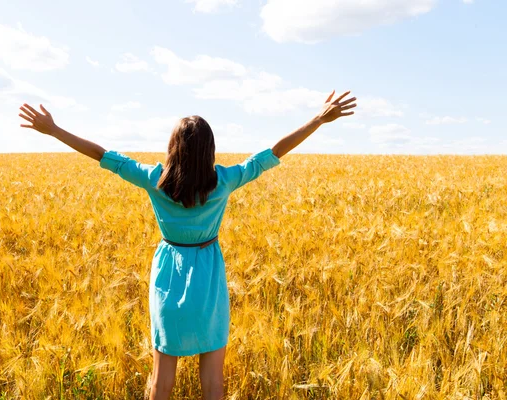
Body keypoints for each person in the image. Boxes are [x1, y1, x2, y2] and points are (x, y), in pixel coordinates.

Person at [18, 90, 357, 400]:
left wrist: (54, 130)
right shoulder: (224, 181)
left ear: (173, 148)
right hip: (208, 276)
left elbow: (103, 155)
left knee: (161, 379)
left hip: (168, 273)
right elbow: (271, 154)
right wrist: (317, 120)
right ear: (210, 150)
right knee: (212, 380)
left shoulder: (154, 180)